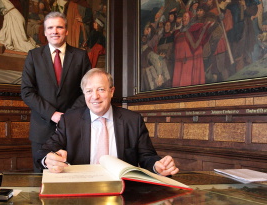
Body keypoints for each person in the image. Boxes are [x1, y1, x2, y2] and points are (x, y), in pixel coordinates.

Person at [39, 68, 179, 177]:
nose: (95, 96)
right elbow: (44, 151)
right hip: (81, 193)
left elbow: (147, 157)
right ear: (84, 94)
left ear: (112, 91)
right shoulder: (70, 120)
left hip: (123, 193)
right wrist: (48, 159)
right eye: (89, 91)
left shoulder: (133, 121)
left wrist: (158, 166)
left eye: (101, 89)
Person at [21, 11, 91, 173]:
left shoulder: (80, 56)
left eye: (59, 27)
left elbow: (87, 90)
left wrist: (68, 117)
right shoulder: (34, 56)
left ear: (66, 31)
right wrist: (52, 114)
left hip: (73, 128)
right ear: (45, 32)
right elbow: (27, 92)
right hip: (42, 130)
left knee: (73, 178)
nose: (55, 31)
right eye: (50, 27)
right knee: (41, 179)